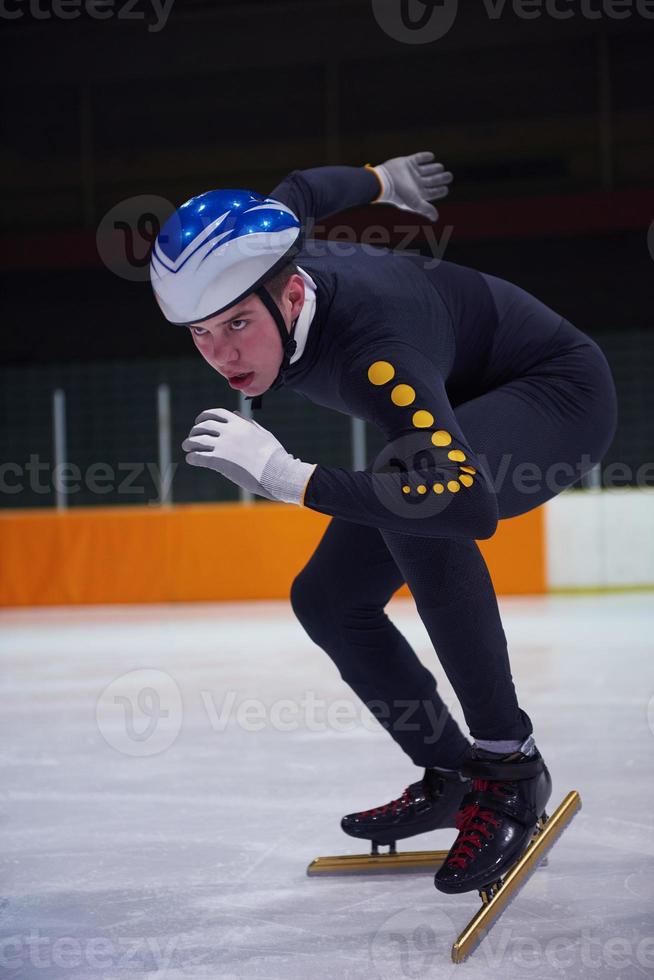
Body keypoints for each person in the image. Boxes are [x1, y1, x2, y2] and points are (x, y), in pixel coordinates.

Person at [149, 152, 617, 894]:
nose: (223, 354)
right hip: (451, 408)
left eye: (238, 323)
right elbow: (301, 190)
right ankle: (454, 773)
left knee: (416, 505)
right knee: (327, 598)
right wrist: (380, 179)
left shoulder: (376, 349)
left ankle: (508, 766)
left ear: (292, 293)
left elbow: (466, 504)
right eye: (202, 333)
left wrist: (287, 478)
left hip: (556, 394)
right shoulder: (268, 244)